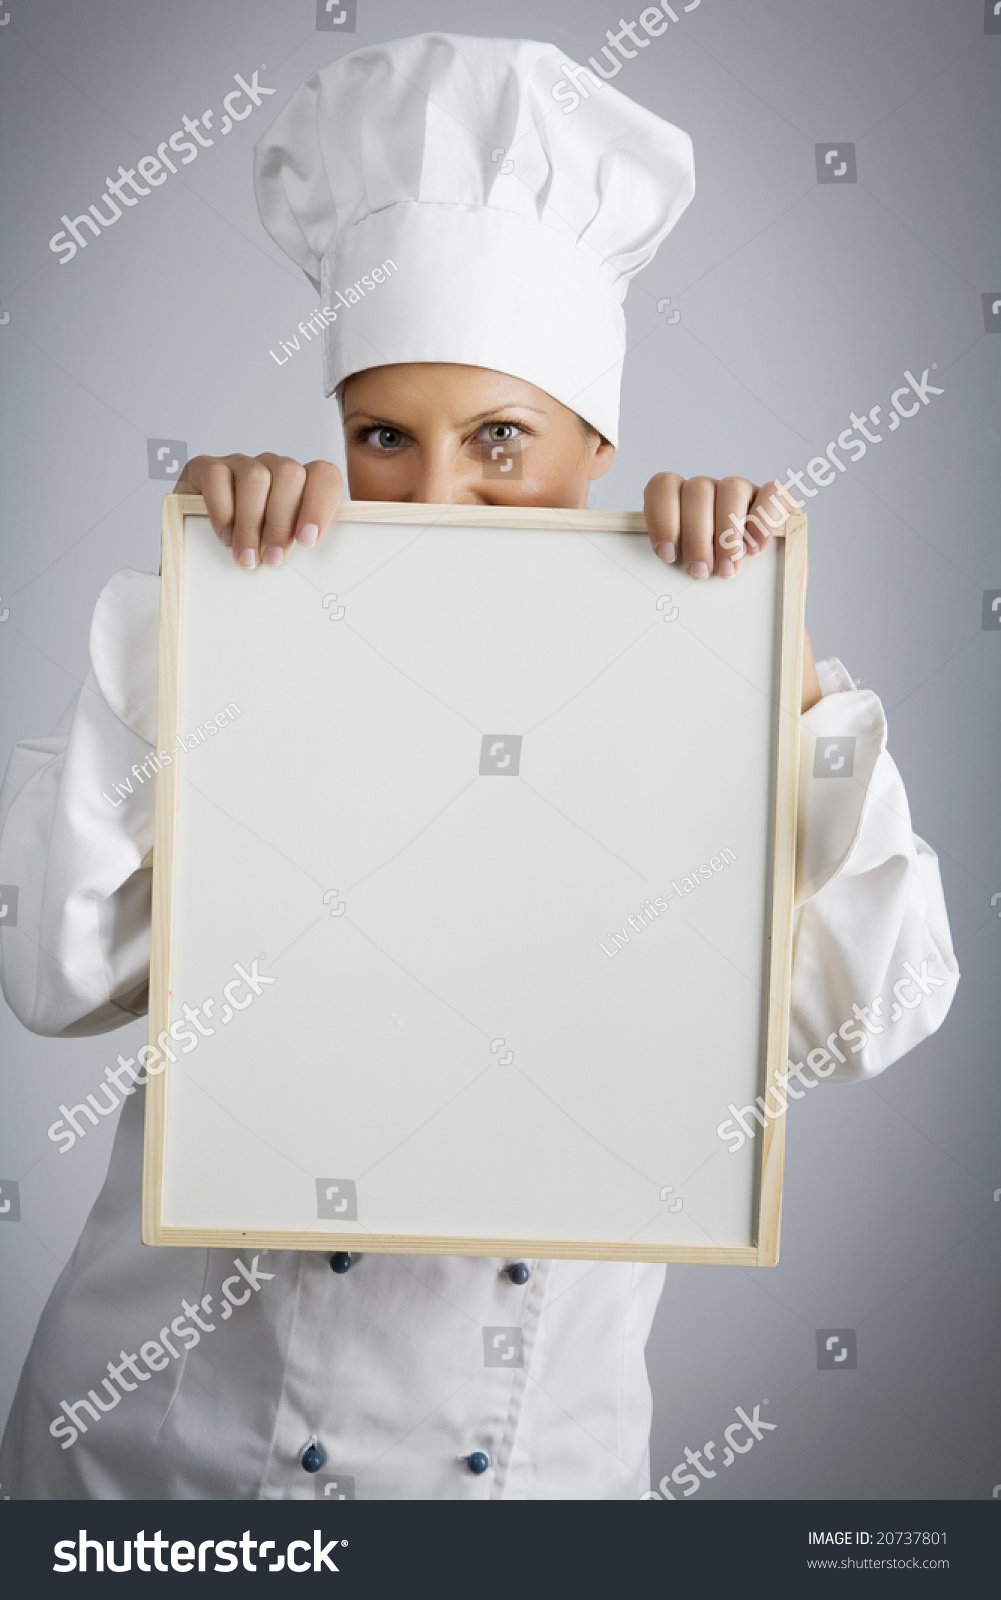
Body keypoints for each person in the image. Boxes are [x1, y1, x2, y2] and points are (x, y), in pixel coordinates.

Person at [0, 33, 958, 1501]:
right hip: (165, 1469)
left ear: (594, 446)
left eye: (499, 440)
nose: (435, 494)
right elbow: (54, 975)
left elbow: (878, 1011)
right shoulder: (246, 633)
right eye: (383, 435)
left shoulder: (697, 684)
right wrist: (181, 626)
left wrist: (786, 670)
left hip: (528, 1487)